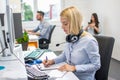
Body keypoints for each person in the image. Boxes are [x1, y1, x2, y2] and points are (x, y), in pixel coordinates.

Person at [43, 6, 101, 80]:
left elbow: (96, 65)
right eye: (62, 24)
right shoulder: (70, 38)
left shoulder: (89, 41)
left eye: (65, 24)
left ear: (75, 23)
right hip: (69, 75)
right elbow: (64, 55)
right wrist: (52, 61)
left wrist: (74, 68)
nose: (62, 27)